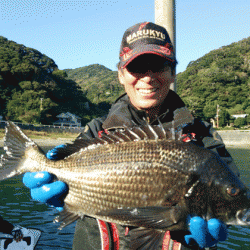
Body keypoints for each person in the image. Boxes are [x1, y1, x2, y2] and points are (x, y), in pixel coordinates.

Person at [23, 22, 234, 249]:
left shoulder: (203, 139)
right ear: (121, 75)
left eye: (159, 66)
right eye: (138, 67)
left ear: (172, 73)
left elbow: (229, 194)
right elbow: (60, 172)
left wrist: (224, 221)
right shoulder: (96, 131)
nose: (148, 77)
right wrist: (51, 178)